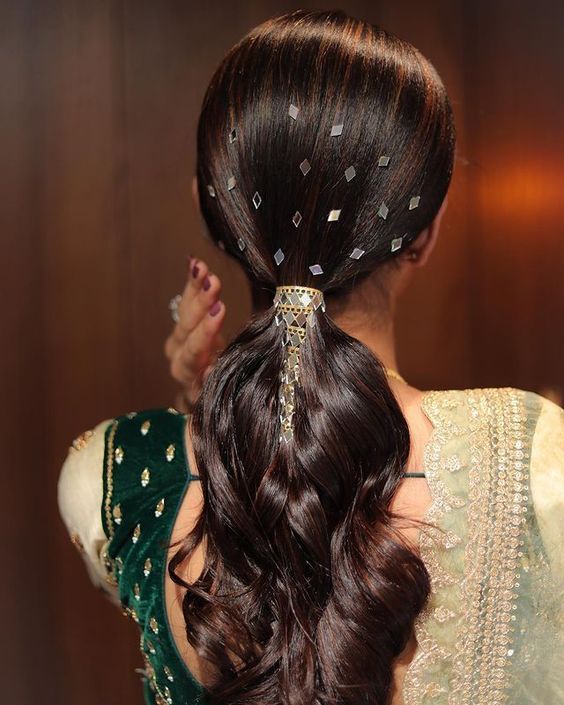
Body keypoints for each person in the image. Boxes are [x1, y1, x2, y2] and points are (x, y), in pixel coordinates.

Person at [57, 9, 564, 705]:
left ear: (219, 219)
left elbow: (263, 470)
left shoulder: (115, 477)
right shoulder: (536, 457)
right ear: (426, 230)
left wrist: (204, 404)